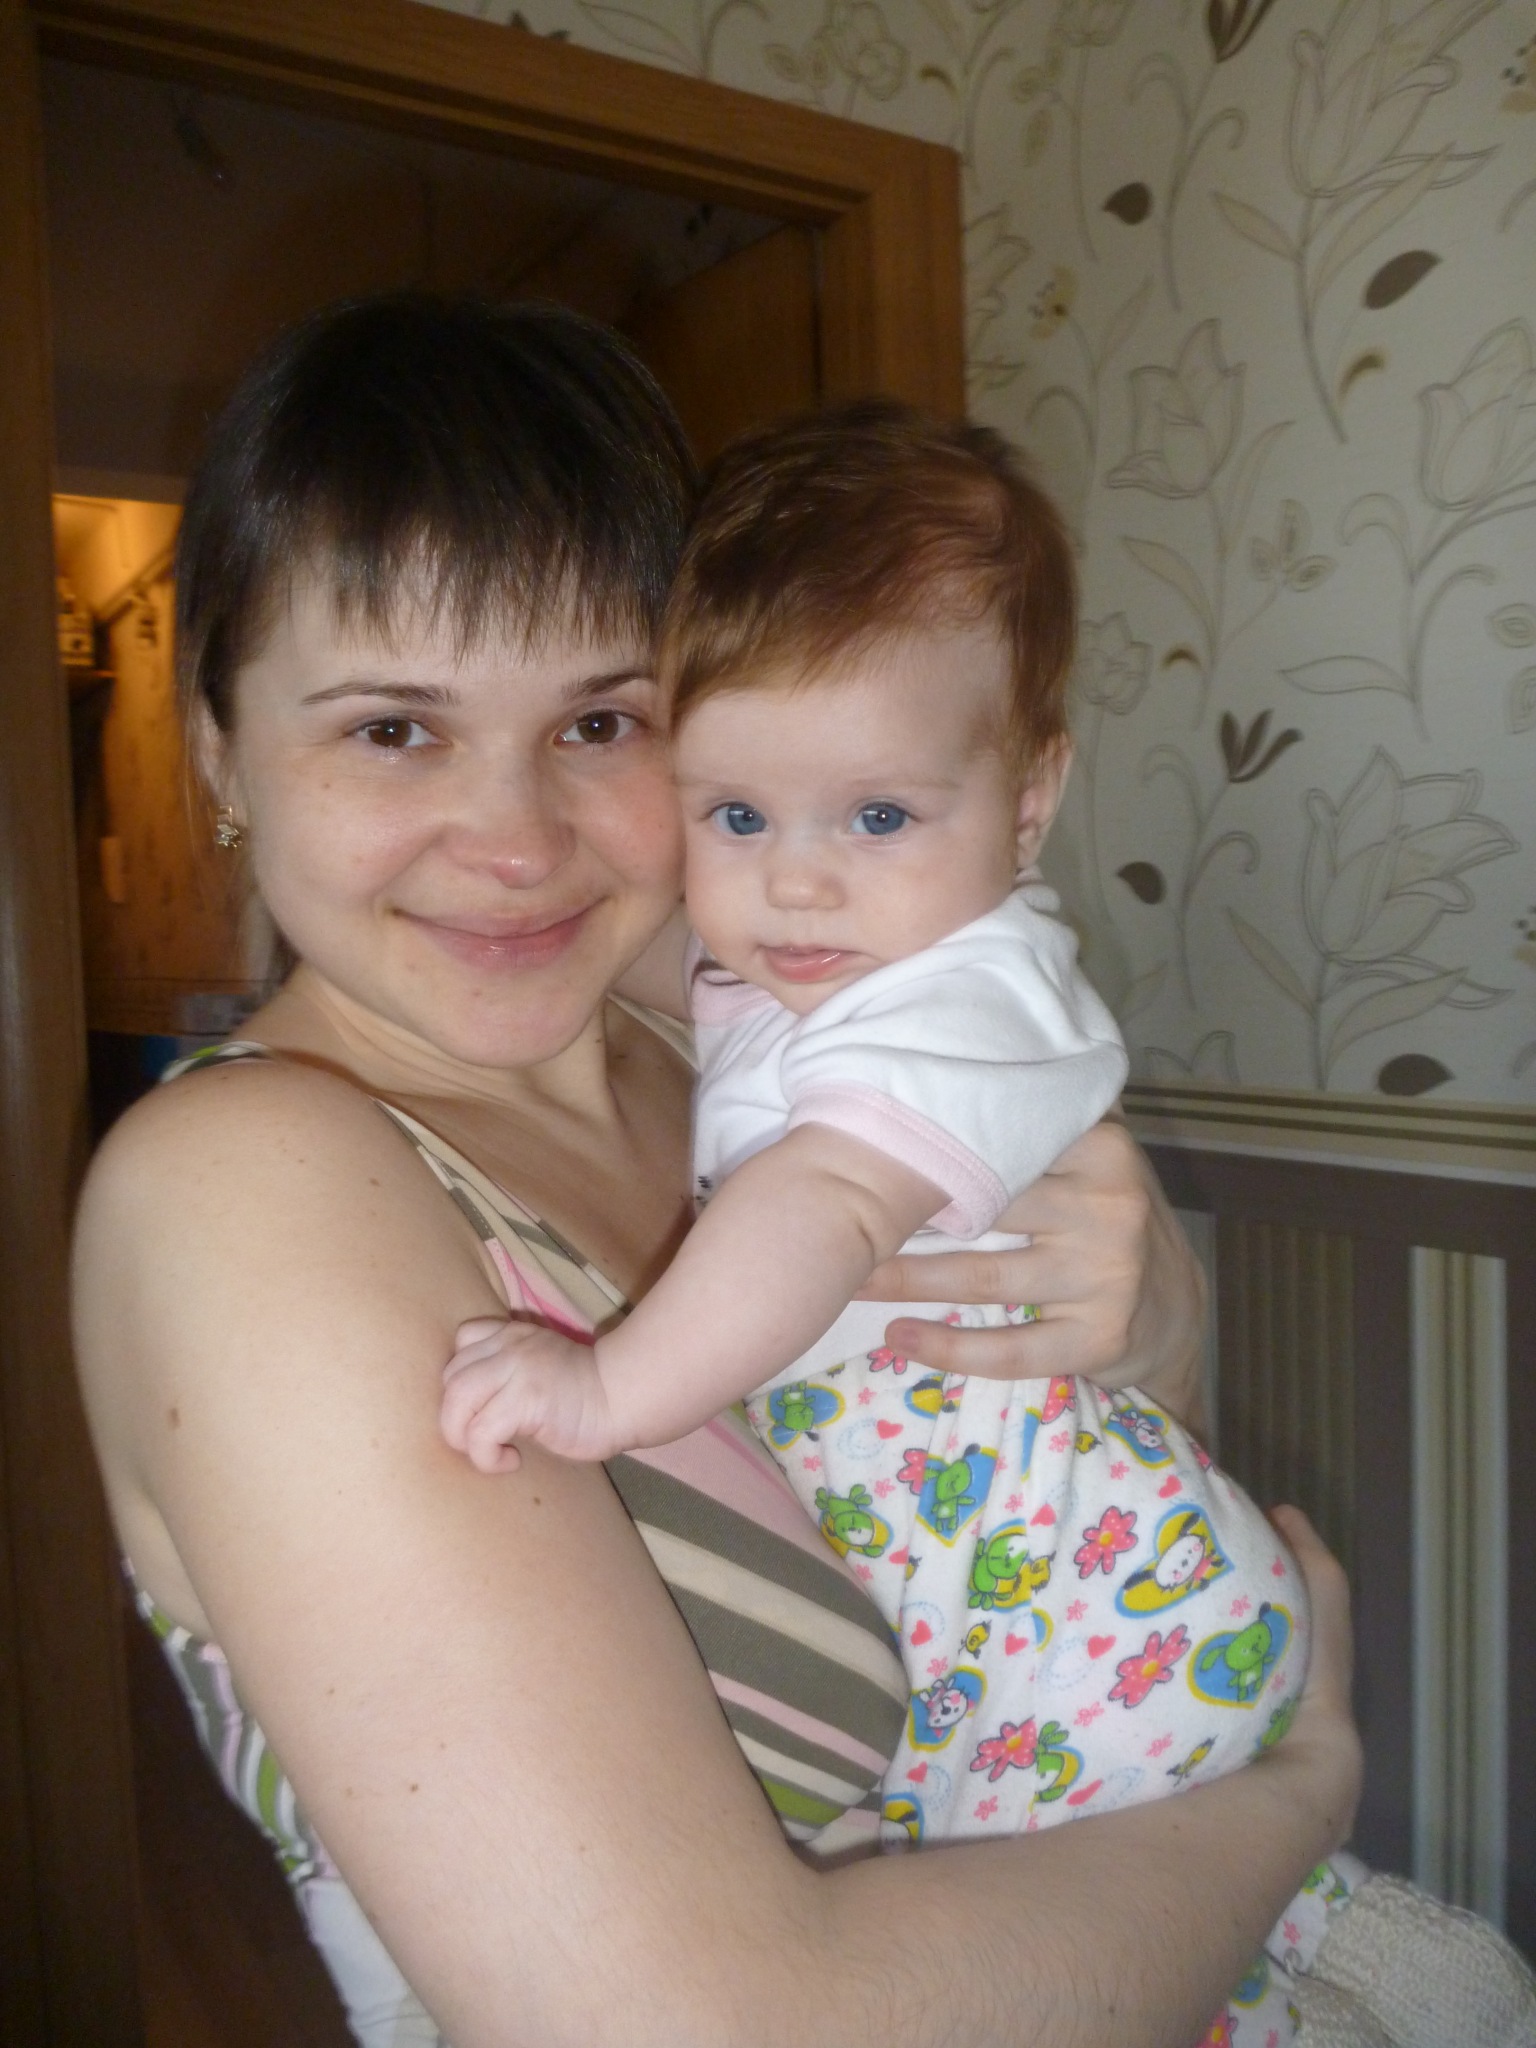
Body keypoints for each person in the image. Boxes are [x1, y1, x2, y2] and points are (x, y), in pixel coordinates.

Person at [71, 292, 1370, 2048]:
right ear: (223, 748)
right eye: (392, 728)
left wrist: (1139, 1321)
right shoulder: (244, 1188)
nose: (516, 839)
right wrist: (1295, 1801)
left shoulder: (739, 1053)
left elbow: (1052, 1496)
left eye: (603, 722)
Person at [433, 403, 1339, 2046]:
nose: (794, 885)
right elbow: (655, 954)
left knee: (1086, 1977)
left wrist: (608, 1389)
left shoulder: (962, 997)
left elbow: (827, 1207)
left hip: (1086, 1620)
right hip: (984, 1589)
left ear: (1029, 799)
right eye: (736, 816)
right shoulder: (830, 962)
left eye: (875, 817)